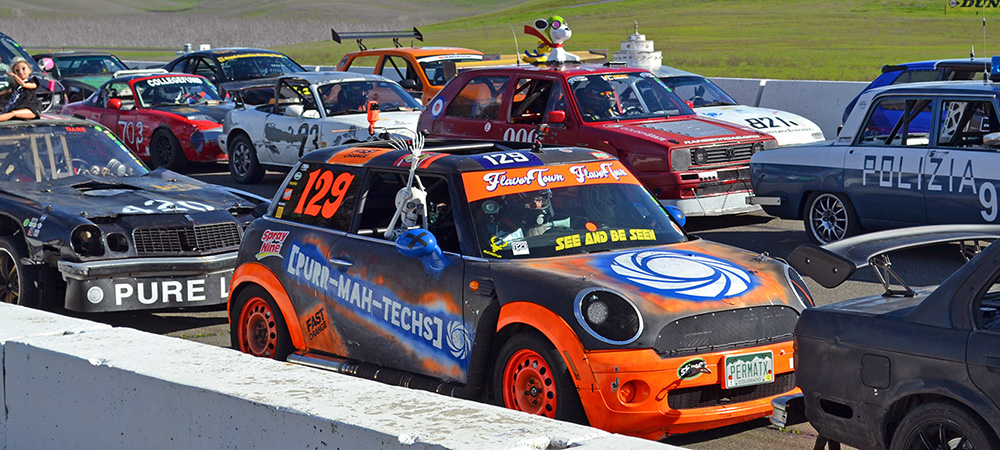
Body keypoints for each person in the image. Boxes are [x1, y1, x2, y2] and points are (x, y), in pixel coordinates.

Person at [0, 57, 41, 122]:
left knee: (13, 113)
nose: (20, 72)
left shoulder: (33, 82)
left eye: (23, 69)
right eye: (17, 71)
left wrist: (14, 76)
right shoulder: (17, 86)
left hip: (30, 108)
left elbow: (24, 85)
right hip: (19, 106)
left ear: (29, 70)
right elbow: (7, 91)